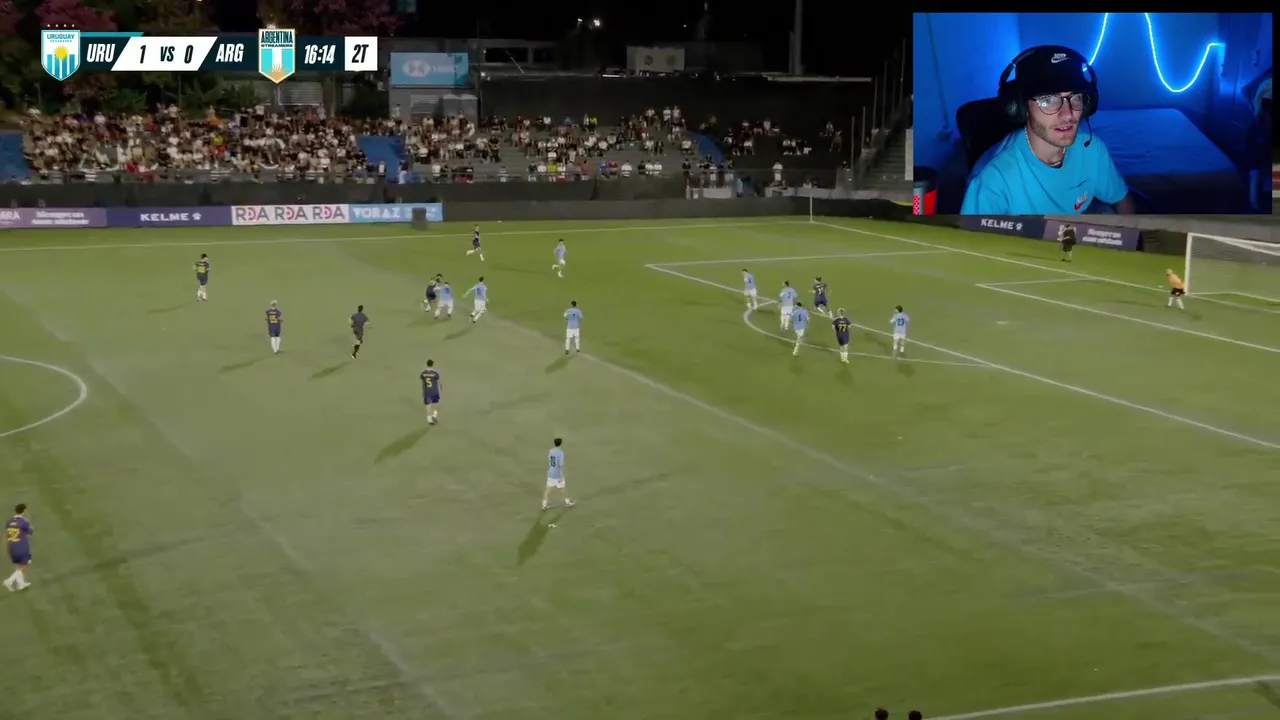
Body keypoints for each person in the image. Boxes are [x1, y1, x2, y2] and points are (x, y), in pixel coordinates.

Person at [962, 45, 1133, 215]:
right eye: (1048, 100)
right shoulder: (992, 182)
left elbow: (1122, 201)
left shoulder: (1093, 150)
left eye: (1075, 97)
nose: (1068, 114)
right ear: (1021, 107)